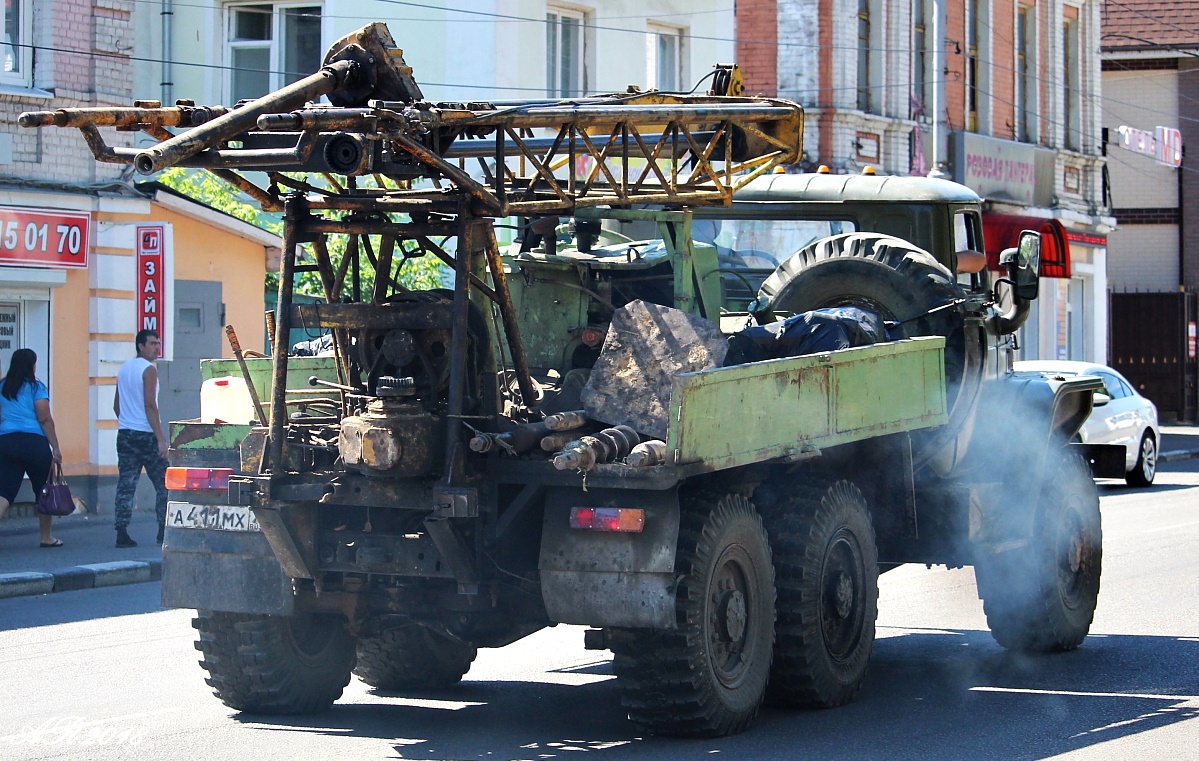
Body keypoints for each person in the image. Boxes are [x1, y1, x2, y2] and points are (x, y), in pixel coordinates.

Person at [0, 348, 64, 547]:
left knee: (4, 492)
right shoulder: (37, 388)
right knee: (43, 491)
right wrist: (56, 447)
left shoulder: (2, 386)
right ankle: (46, 537)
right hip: (34, 443)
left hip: (7, 442)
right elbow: (44, 418)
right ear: (31, 365)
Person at [113, 329, 169, 547]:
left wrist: (127, 421)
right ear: (140, 346)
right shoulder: (149, 370)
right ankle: (163, 531)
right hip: (146, 434)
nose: (157, 347)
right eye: (153, 343)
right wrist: (161, 439)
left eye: (158, 343)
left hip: (125, 432)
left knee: (126, 483)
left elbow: (117, 405)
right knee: (164, 483)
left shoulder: (124, 368)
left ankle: (121, 531)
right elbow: (149, 404)